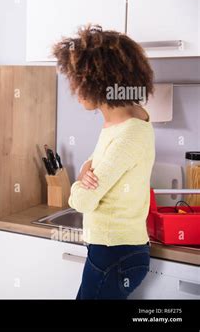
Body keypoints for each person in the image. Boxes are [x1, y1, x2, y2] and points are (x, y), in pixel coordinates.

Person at [52, 25, 155, 299]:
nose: (75, 90)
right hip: (115, 251)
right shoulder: (126, 118)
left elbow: (83, 201)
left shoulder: (128, 134)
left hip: (115, 254)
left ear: (99, 80)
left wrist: (77, 184)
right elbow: (96, 161)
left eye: (77, 80)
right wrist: (88, 168)